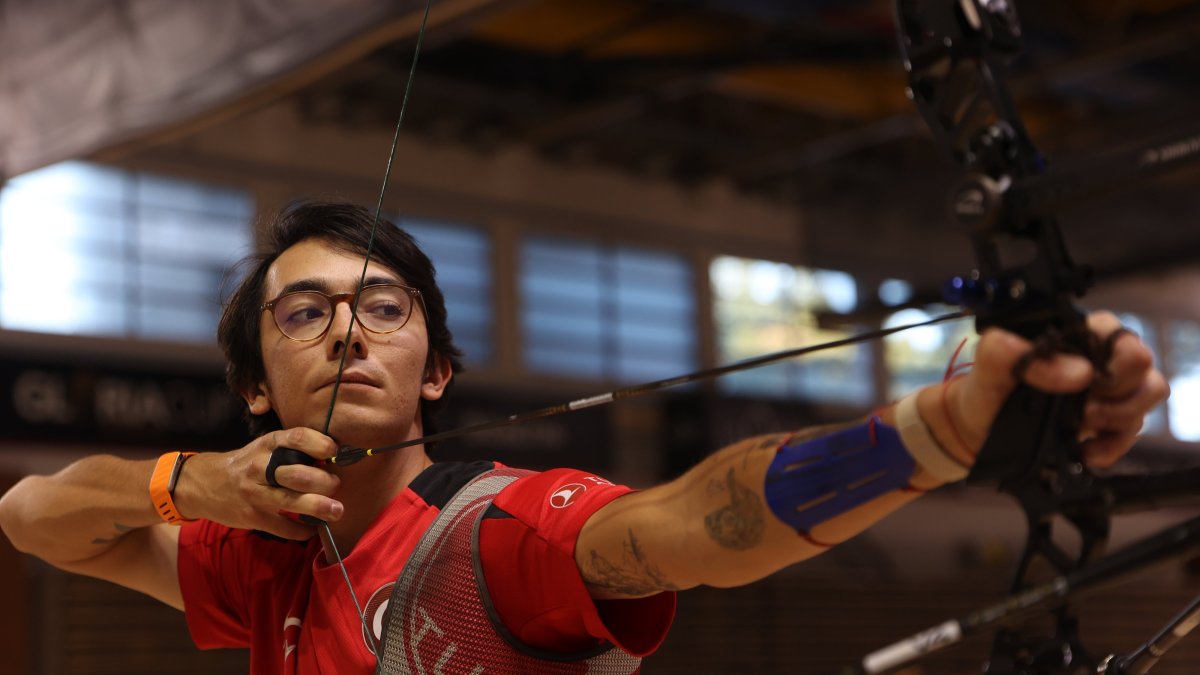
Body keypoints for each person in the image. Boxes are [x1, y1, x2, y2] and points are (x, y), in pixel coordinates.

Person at [0, 201, 1167, 674]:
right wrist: (195, 482)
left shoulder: (493, 530)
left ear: (437, 371)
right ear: (256, 385)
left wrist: (938, 429)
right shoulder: (253, 557)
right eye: (302, 314)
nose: (347, 330)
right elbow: (32, 518)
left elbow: (696, 527)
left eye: (385, 308)